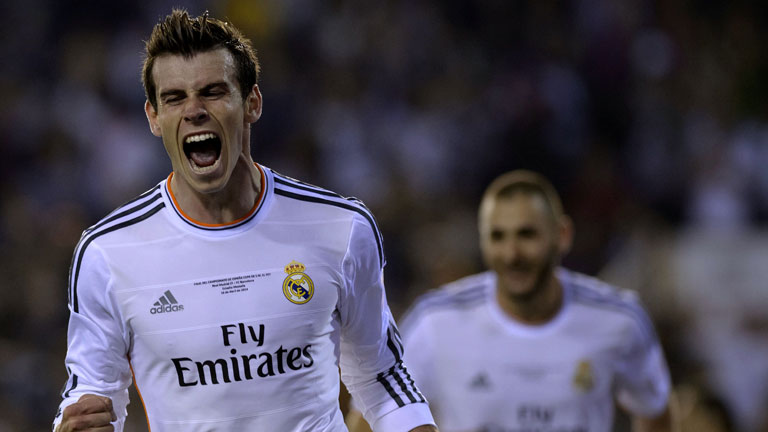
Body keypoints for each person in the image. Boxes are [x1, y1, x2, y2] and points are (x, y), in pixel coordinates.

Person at [53, 9, 437, 432]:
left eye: (213, 92)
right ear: (153, 117)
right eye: (174, 98)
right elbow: (90, 395)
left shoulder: (341, 227)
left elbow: (381, 377)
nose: (194, 110)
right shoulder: (108, 253)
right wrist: (76, 423)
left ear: (252, 102)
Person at [348, 170, 675, 432]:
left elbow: (656, 412)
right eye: (497, 236)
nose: (511, 254)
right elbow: (367, 417)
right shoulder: (435, 322)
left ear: (562, 235)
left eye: (526, 234)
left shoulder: (619, 320)